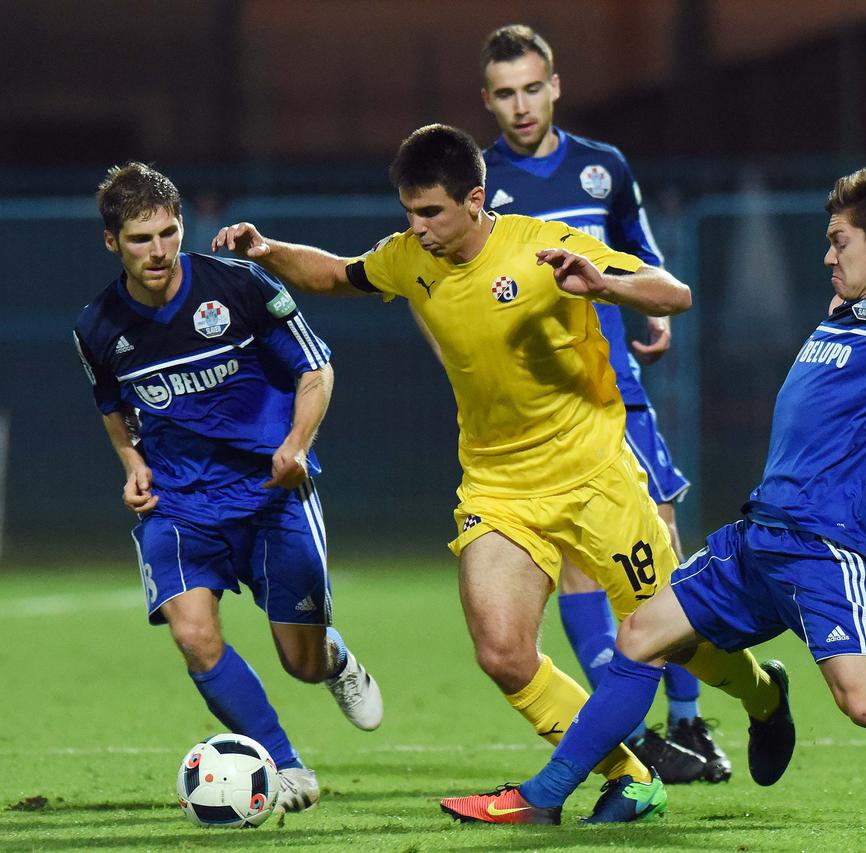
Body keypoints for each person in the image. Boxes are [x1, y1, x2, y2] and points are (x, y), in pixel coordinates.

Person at [442, 165, 866, 825]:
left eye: (839, 241)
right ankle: (546, 795)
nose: (827, 255)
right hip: (757, 537)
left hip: (823, 550)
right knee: (643, 634)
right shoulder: (851, 311)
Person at [211, 124, 792, 824]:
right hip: (498, 487)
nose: (416, 227)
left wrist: (605, 283)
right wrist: (268, 253)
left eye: (431, 212)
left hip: (595, 474)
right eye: (409, 212)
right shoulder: (408, 258)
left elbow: (675, 293)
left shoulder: (542, 246)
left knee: (676, 639)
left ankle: (763, 694)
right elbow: (338, 273)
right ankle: (632, 776)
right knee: (503, 651)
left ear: (475, 199)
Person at [448, 23, 721, 785]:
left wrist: (653, 309)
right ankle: (627, 726)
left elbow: (642, 256)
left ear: (555, 85)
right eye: (504, 93)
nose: (521, 105)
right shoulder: (478, 186)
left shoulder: (605, 169)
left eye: (532, 87)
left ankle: (689, 720)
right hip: (537, 414)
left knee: (661, 544)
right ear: (487, 100)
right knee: (577, 565)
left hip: (613, 390)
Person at [73, 162, 383, 815]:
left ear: (181, 226)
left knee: (299, 660)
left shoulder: (237, 286)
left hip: (270, 491)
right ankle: (285, 765)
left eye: (167, 233)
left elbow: (316, 369)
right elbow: (114, 408)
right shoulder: (97, 326)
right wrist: (131, 463)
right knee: (193, 634)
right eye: (140, 239)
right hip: (180, 501)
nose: (158, 251)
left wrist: (295, 445)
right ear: (112, 242)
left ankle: (334, 659)